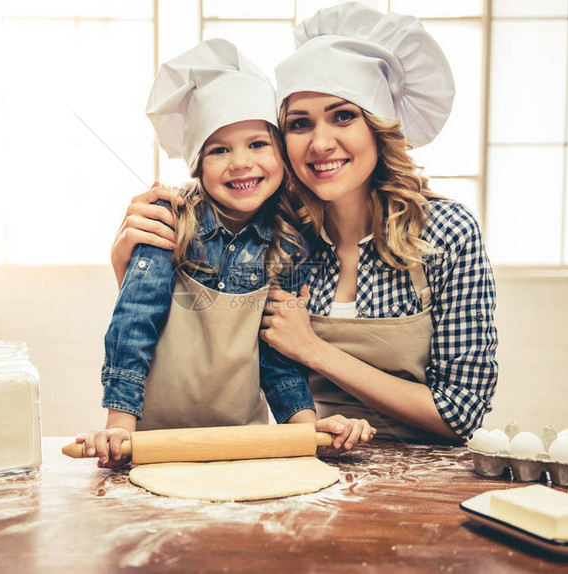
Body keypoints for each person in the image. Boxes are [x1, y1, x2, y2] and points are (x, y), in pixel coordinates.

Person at [110, 4, 498, 444]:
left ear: (378, 129)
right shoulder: (281, 231)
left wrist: (313, 349)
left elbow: (461, 413)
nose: (320, 143)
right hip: (310, 461)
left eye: (344, 116)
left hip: (424, 472)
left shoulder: (446, 233)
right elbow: (198, 330)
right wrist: (130, 260)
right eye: (299, 124)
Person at [78, 38, 374, 468]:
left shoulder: (288, 242)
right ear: (197, 165)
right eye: (219, 150)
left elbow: (278, 356)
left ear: (282, 155)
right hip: (155, 445)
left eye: (257, 144)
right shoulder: (169, 220)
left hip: (241, 447)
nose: (240, 162)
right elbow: (134, 323)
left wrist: (305, 430)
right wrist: (119, 427)